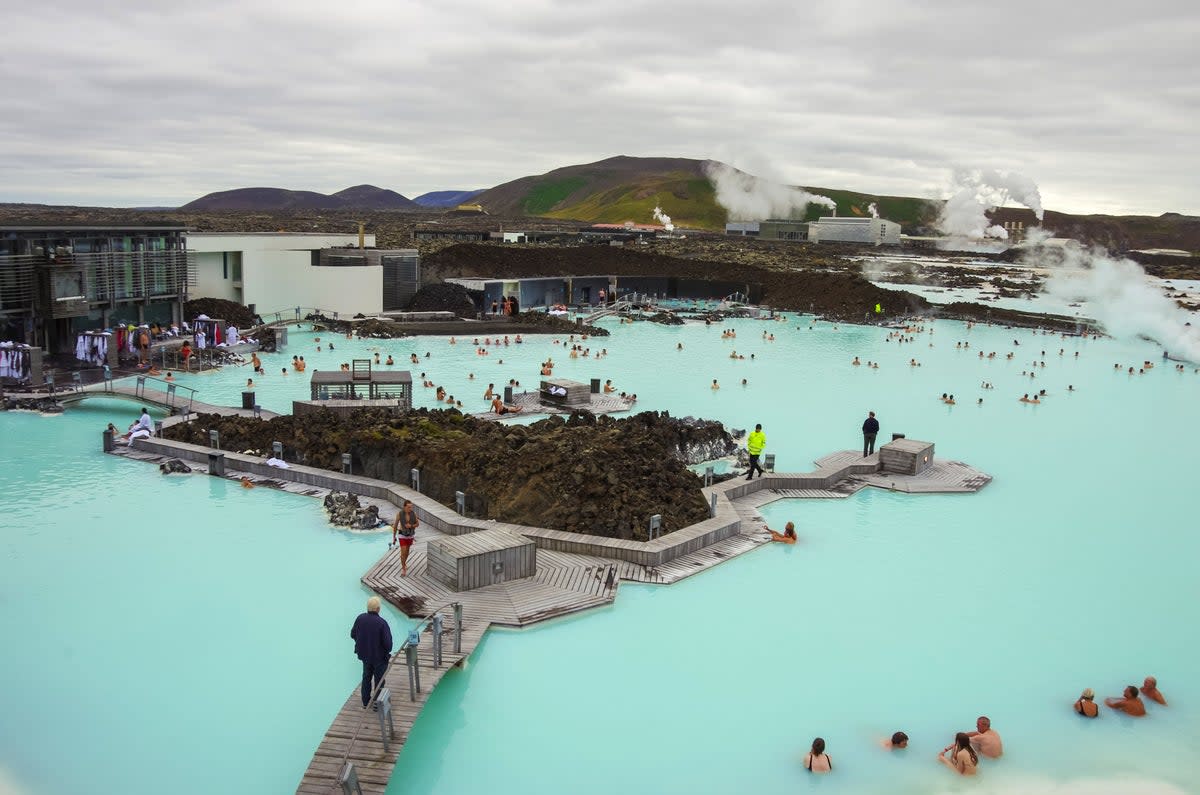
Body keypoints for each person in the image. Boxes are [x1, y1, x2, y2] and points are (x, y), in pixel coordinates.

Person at [350, 596, 393, 709]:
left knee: (366, 677)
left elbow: (353, 634)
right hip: (379, 658)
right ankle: (376, 705)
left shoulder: (360, 619)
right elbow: (388, 645)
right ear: (378, 608)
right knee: (379, 681)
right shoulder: (382, 623)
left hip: (365, 656)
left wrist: (362, 644)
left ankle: (365, 702)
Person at [391, 500, 419, 576]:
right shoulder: (399, 514)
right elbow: (395, 526)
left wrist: (411, 526)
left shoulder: (414, 514)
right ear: (404, 507)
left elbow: (417, 524)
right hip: (402, 535)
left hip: (410, 535)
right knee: (403, 552)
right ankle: (403, 568)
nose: (410, 508)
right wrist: (393, 537)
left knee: (407, 552)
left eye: (411, 507)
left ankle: (404, 563)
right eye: (409, 507)